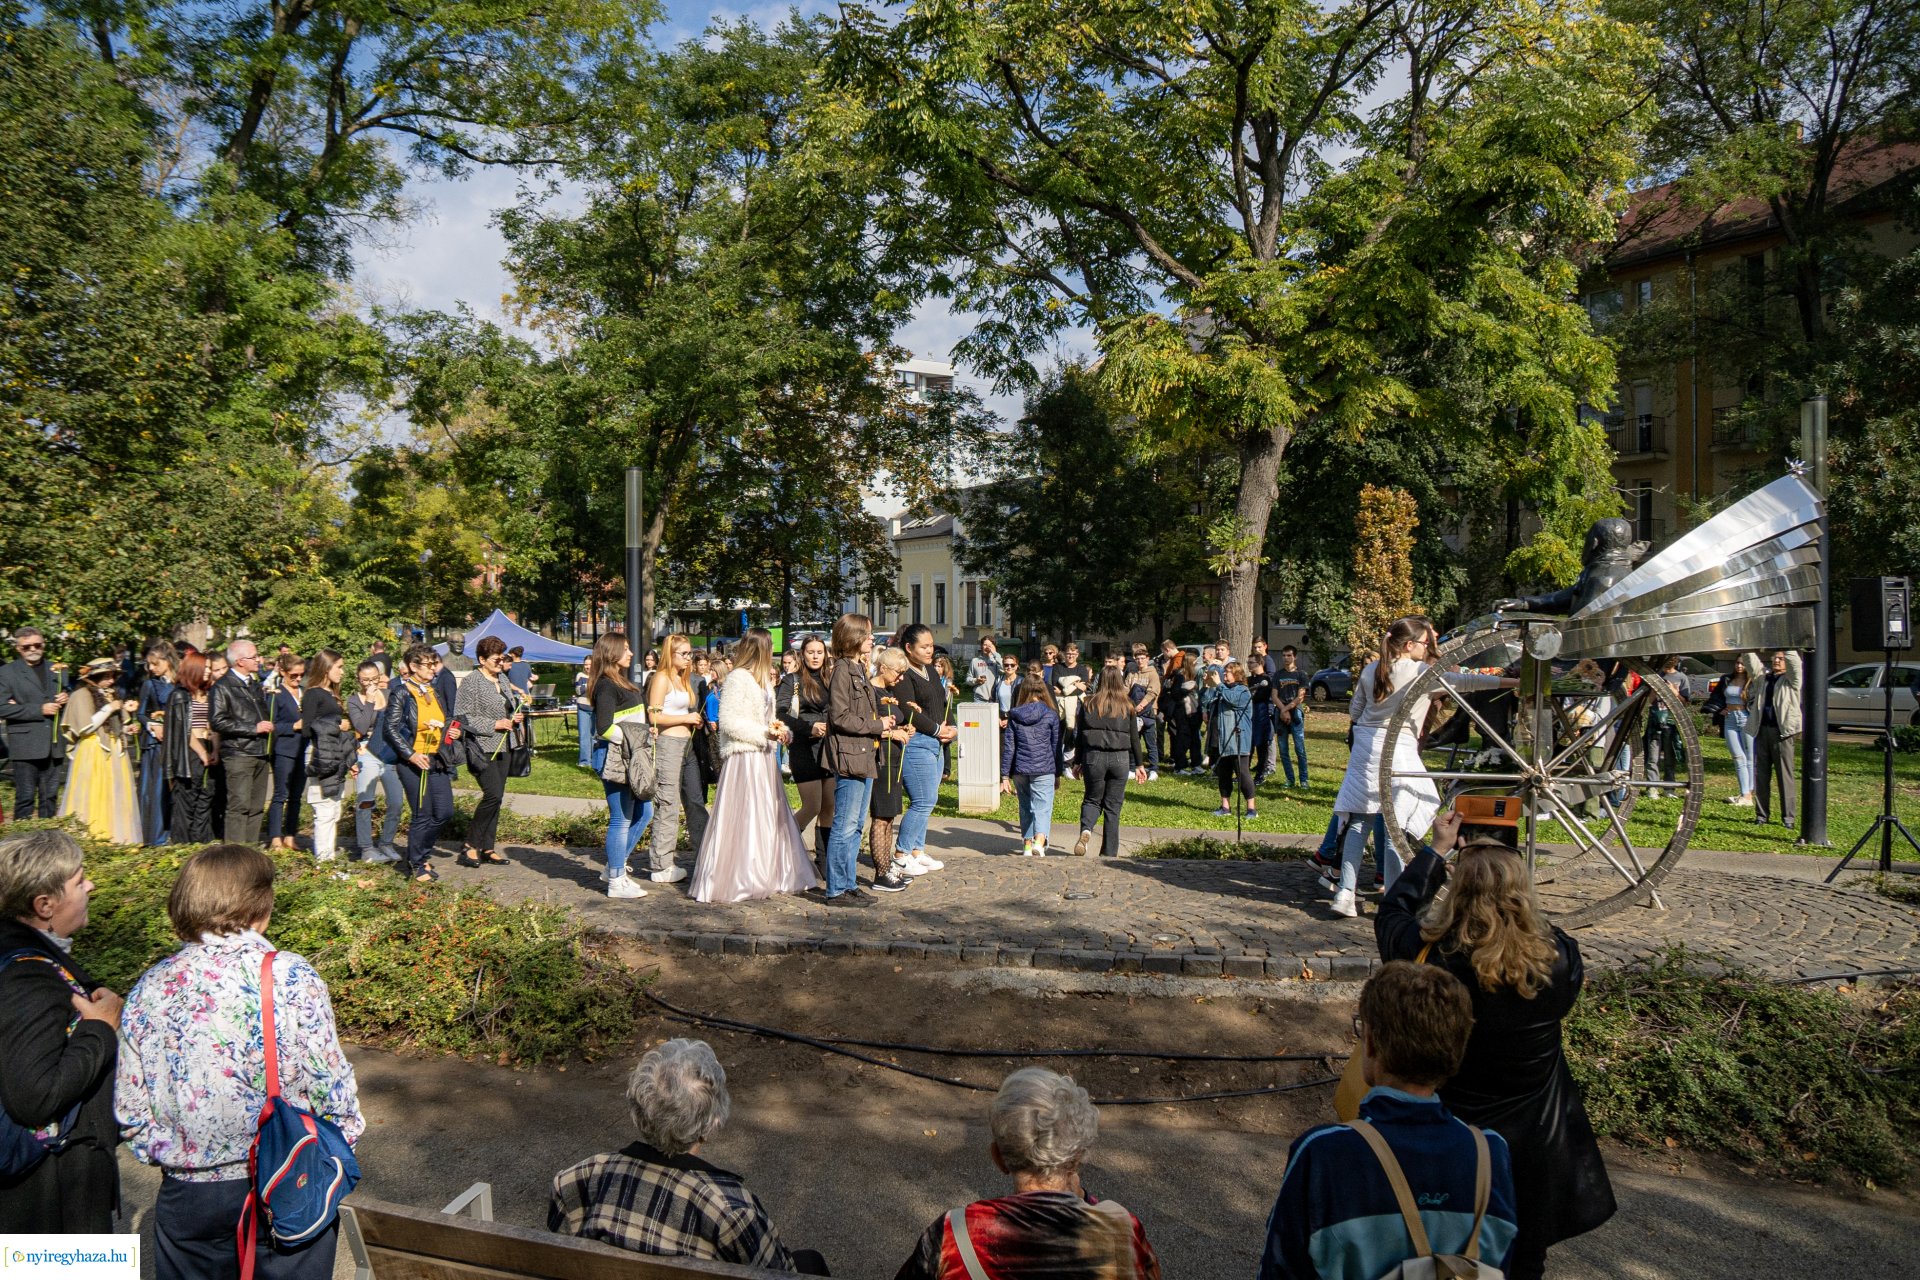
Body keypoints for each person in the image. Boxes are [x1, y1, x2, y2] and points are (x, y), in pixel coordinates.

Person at [1375, 810, 1617, 1279]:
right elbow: (1551, 934)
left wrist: (1436, 850)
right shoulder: (1559, 962)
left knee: (1441, 1252)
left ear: (1458, 893)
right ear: (1521, 894)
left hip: (1454, 1135)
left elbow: (1392, 912)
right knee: (1525, 1258)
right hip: (1535, 1146)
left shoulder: (1431, 956)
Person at [116, 843, 363, 1280]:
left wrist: (177, 1156)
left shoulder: (150, 985)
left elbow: (132, 1111)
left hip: (187, 1197)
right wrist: (334, 1153)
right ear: (259, 905)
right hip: (284, 1179)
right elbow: (332, 1087)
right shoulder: (289, 975)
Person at [1258, 960, 1518, 1280]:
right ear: (1458, 1049)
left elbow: (1280, 1270)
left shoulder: (1323, 1153)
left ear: (1370, 1042)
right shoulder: (1491, 1154)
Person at [549, 1039, 827, 1274]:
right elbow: (779, 1273)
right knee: (810, 1263)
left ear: (638, 1109)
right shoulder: (733, 1212)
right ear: (714, 1122)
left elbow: (559, 1265)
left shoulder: (578, 1180)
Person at [894, 1068, 1160, 1280]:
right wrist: (1085, 1200)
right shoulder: (1122, 1231)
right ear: (1076, 1158)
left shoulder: (954, 1234)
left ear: (999, 1157)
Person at [1327, 619, 1511, 917]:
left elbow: (1355, 711)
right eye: (1425, 643)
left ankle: (1345, 893)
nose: (1428, 648)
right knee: (1394, 826)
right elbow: (1465, 683)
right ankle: (1395, 894)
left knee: (1359, 822)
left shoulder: (1372, 669)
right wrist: (1509, 682)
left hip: (1364, 749)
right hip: (1397, 751)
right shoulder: (1421, 672)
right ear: (1409, 645)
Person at [0, 830, 123, 1231]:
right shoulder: (29, 977)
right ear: (45, 905)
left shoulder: (26, 956)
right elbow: (35, 1096)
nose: (91, 885)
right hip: (50, 1198)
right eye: (79, 880)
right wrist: (100, 1030)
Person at [690, 630, 818, 903]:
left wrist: (783, 732)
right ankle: (742, 876)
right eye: (769, 647)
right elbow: (730, 722)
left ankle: (770, 872)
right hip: (745, 757)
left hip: (763, 757)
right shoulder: (738, 679)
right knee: (747, 817)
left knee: (768, 815)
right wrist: (765, 734)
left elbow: (770, 719)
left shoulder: (762, 681)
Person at [819, 613, 891, 907]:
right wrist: (878, 726)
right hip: (850, 756)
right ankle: (836, 889)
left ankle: (848, 885)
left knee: (856, 826)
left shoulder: (858, 670)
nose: (873, 639)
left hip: (864, 754)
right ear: (854, 638)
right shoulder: (841, 672)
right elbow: (839, 717)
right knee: (845, 825)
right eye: (869, 634)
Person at [384, 644, 463, 884]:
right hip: (413, 761)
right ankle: (418, 862)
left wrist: (451, 731)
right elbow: (390, 729)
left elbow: (445, 718)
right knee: (423, 813)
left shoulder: (434, 690)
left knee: (444, 811)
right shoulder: (402, 692)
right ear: (413, 666)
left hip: (437, 758)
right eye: (428, 664)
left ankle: (420, 853)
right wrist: (410, 754)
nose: (433, 668)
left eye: (434, 663)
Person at [586, 633, 652, 899]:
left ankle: (613, 867)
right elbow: (603, 728)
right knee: (621, 819)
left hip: (630, 757)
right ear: (612, 652)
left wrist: (644, 734)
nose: (631, 653)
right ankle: (615, 879)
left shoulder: (621, 681)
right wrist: (635, 738)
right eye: (626, 649)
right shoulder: (605, 685)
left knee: (644, 813)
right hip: (615, 759)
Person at [453, 636, 523, 869]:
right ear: (482, 659)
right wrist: (493, 724)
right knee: (491, 794)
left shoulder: (502, 678)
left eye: (503, 657)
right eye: (496, 659)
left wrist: (514, 718)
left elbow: (507, 707)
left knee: (498, 797)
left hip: (505, 744)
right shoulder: (472, 681)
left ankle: (487, 847)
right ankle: (470, 845)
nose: (500, 662)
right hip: (482, 747)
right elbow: (461, 716)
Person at [647, 634, 711, 886]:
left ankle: (706, 854)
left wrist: (694, 717)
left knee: (695, 800)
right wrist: (685, 719)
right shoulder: (660, 678)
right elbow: (655, 716)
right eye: (683, 654)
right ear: (670, 654)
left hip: (688, 746)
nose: (688, 658)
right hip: (668, 745)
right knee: (668, 802)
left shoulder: (683, 679)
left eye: (689, 654)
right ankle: (661, 863)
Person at [53, 658, 142, 843]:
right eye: (107, 676)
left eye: (113, 676)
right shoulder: (81, 695)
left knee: (115, 792)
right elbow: (85, 727)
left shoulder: (113, 694)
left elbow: (115, 725)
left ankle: (117, 837)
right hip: (93, 750)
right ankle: (93, 836)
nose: (111, 680)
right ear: (95, 676)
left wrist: (128, 728)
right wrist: (109, 708)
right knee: (94, 791)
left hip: (115, 751)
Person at [897, 625, 954, 878]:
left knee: (928, 800)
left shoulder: (930, 669)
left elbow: (941, 702)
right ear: (909, 648)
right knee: (922, 800)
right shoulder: (903, 674)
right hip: (918, 741)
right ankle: (901, 855)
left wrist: (950, 728)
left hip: (936, 743)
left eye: (931, 645)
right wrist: (934, 730)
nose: (930, 650)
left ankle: (917, 851)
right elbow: (908, 710)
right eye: (924, 646)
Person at [1071, 669, 1146, 857]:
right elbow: (1134, 738)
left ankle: (1086, 829)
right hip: (1120, 758)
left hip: (1093, 756)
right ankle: (1109, 853)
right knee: (1113, 807)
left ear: (1100, 680)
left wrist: (1077, 761)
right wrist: (1139, 765)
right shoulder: (1127, 705)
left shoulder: (1088, 703)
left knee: (1091, 799)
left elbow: (1079, 735)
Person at [777, 634, 835, 870]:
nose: (815, 656)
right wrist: (809, 728)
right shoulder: (793, 680)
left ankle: (824, 861)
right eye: (810, 652)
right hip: (803, 746)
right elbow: (780, 713)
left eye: (819, 652)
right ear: (803, 654)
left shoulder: (831, 678)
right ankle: (782, 845)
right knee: (812, 805)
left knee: (829, 806)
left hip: (829, 749)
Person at [865, 647, 920, 893]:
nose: (900, 678)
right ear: (883, 668)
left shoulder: (888, 692)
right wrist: (890, 732)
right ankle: (880, 872)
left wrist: (906, 729)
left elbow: (893, 720)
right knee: (881, 816)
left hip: (894, 758)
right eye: (898, 673)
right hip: (880, 760)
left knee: (889, 817)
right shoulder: (871, 692)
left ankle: (887, 867)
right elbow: (866, 726)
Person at [0, 626, 69, 820]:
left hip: (54, 743)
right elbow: (1, 707)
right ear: (18, 649)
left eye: (37, 645)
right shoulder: (7, 673)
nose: (32, 649)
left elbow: (66, 696)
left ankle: (47, 844)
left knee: (50, 798)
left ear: (43, 645)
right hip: (25, 744)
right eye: (26, 647)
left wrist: (66, 697)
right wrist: (39, 709)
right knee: (25, 798)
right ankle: (20, 845)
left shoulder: (58, 669)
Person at [300, 649, 358, 864]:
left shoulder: (330, 694)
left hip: (334, 755)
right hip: (319, 756)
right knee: (324, 810)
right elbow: (307, 729)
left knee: (333, 809)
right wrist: (337, 725)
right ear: (326, 668)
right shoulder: (314, 693)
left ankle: (328, 859)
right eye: (339, 667)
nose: (342, 672)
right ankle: (324, 863)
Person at [1002, 671, 1064, 857]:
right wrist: (1058, 772)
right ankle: (1040, 840)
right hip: (1044, 766)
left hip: (1021, 767)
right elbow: (1056, 747)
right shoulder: (1051, 714)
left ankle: (1027, 845)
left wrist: (1005, 775)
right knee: (1043, 806)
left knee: (1025, 806)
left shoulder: (1015, 715)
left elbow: (1009, 747)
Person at [346, 661, 403, 864]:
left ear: (380, 676)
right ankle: (366, 848)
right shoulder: (354, 700)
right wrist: (369, 701)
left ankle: (386, 842)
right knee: (366, 802)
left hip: (388, 754)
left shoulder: (389, 695)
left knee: (396, 801)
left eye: (374, 678)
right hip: (366, 753)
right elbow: (360, 727)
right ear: (358, 680)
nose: (371, 683)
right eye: (365, 680)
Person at [163, 652, 219, 844]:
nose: (209, 671)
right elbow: (182, 732)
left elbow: (214, 726)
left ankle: (202, 844)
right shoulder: (180, 695)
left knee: (206, 798)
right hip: (189, 752)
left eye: (211, 667)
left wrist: (215, 750)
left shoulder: (209, 693)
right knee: (187, 801)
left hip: (209, 745)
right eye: (207, 667)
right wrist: (202, 752)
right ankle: (183, 846)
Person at [1749, 648, 1802, 828]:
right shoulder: (1763, 679)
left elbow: (1795, 664)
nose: (1777, 661)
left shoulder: (1791, 681)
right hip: (1762, 731)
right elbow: (1752, 663)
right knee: (1761, 776)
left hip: (1782, 734)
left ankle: (1788, 818)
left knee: (1784, 777)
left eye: (1780, 658)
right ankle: (1761, 816)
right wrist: (1746, 645)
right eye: (1774, 659)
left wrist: (1787, 646)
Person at [1201, 661, 1257, 820]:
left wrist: (1218, 684)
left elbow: (1232, 699)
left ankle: (1251, 809)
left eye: (1227, 672)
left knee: (1243, 774)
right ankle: (1225, 806)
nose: (1224, 675)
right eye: (1224, 673)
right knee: (1223, 774)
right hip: (1222, 740)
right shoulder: (1221, 689)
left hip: (1238, 740)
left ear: (1237, 674)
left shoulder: (1243, 691)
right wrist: (1208, 685)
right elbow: (1207, 701)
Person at [1702, 656, 1759, 806]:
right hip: (1730, 719)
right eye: (1738, 663)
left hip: (1746, 718)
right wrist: (1719, 709)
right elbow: (1717, 696)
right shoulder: (1726, 679)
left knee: (1750, 757)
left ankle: (1749, 794)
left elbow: (1757, 700)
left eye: (1743, 663)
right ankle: (1744, 793)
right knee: (1737, 756)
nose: (1739, 666)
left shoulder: (1753, 681)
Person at [137, 641, 178, 845]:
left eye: (154, 664)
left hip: (177, 742)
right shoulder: (149, 685)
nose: (151, 668)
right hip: (156, 744)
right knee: (155, 789)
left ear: (167, 661)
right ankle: (156, 837)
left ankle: (174, 831)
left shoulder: (180, 682)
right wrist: (154, 726)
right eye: (149, 665)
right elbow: (141, 714)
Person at [265, 651, 306, 851]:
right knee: (281, 794)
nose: (298, 679)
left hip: (303, 750)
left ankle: (290, 835)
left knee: (297, 796)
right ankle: (274, 837)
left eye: (301, 675)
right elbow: (271, 725)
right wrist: (293, 727)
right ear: (283, 673)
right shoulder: (276, 694)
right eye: (293, 676)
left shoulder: (304, 691)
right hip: (284, 749)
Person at [1271, 646, 1309, 789]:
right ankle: (1290, 778)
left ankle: (1304, 779)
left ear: (1295, 657)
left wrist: (1286, 710)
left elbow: (1300, 697)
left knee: (1299, 748)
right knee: (1283, 749)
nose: (1286, 658)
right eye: (1284, 656)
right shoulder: (1278, 675)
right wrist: (1282, 710)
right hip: (1280, 711)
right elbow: (1274, 695)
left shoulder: (1301, 674)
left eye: (1289, 655)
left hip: (1295, 712)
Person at [1159, 650, 1199, 775]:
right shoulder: (1180, 675)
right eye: (1195, 662)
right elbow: (1176, 694)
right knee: (1182, 738)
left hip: (1191, 710)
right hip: (1181, 711)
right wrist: (1186, 689)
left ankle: (1195, 764)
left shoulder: (1191, 675)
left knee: (1194, 738)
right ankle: (1179, 766)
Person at [1125, 646, 1161, 781]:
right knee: (1134, 742)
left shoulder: (1152, 673)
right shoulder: (1132, 673)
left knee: (1151, 743)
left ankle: (1153, 769)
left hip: (1148, 713)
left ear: (1147, 659)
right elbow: (1125, 689)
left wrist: (1141, 706)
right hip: (1133, 713)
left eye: (1142, 658)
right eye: (1137, 659)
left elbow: (1153, 692)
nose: (1140, 661)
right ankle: (1132, 768)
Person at [1246, 638, 1277, 784]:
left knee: (1262, 745)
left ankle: (1260, 774)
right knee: (1248, 745)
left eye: (1251, 663)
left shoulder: (1266, 680)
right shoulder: (1248, 680)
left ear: (1259, 663)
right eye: (1248, 663)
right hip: (1249, 715)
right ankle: (1244, 774)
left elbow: (1260, 697)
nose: (1248, 665)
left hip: (1261, 714)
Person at [575, 657, 596, 769]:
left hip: (595, 708)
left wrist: (586, 686)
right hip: (583, 708)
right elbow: (578, 691)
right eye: (586, 664)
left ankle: (594, 759)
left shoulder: (598, 675)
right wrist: (589, 686)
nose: (587, 666)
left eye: (590, 664)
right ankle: (584, 761)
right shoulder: (580, 675)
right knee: (584, 735)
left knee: (594, 735)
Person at [970, 634, 1002, 703]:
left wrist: (995, 654)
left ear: (994, 647)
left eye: (989, 645)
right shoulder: (975, 661)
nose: (987, 647)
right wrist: (976, 680)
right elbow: (968, 679)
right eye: (985, 645)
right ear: (981, 646)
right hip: (979, 698)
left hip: (994, 698)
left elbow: (1003, 670)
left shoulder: (997, 660)